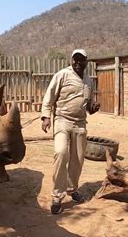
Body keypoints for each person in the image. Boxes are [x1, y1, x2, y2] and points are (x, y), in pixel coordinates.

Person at [41, 48, 100, 215]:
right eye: (75, 59)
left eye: (81, 60)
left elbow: (88, 106)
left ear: (86, 62)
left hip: (80, 124)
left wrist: (93, 108)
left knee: (78, 159)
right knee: (61, 153)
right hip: (62, 120)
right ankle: (57, 196)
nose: (78, 62)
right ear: (71, 60)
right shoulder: (62, 75)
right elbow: (49, 97)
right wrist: (45, 117)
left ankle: (71, 188)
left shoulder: (88, 80)